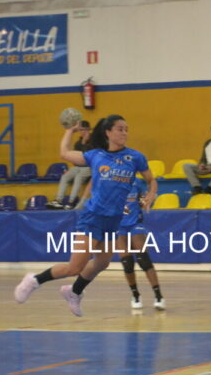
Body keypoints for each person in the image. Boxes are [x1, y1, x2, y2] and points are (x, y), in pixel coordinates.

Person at [14, 115, 157, 317]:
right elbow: (64, 153)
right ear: (108, 132)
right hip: (93, 217)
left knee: (102, 263)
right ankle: (34, 280)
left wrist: (151, 194)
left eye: (126, 129)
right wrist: (69, 131)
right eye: (119, 129)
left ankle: (74, 291)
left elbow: (151, 180)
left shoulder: (135, 157)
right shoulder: (95, 155)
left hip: (114, 220)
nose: (124, 133)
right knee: (75, 267)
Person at [117, 178, 165, 311]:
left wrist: (145, 201)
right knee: (127, 262)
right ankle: (135, 294)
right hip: (118, 225)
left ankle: (158, 295)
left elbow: (141, 199)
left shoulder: (136, 182)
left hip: (135, 223)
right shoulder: (110, 183)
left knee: (143, 258)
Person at [47, 120, 92, 210]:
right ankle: (58, 201)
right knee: (65, 176)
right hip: (77, 166)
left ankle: (71, 202)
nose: (82, 132)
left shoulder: (95, 141)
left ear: (88, 130)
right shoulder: (78, 143)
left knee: (78, 177)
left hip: (89, 167)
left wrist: (86, 142)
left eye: (84, 130)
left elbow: (89, 157)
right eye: (81, 130)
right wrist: (83, 142)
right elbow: (76, 158)